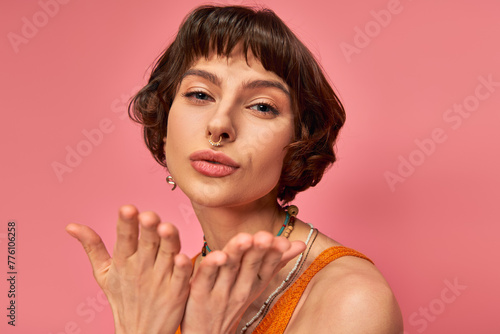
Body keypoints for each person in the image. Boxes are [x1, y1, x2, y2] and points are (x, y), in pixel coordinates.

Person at [66, 5, 403, 334]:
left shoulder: (353, 300)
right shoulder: (162, 291)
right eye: (199, 94)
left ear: (299, 142)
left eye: (261, 106)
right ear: (164, 126)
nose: (219, 125)